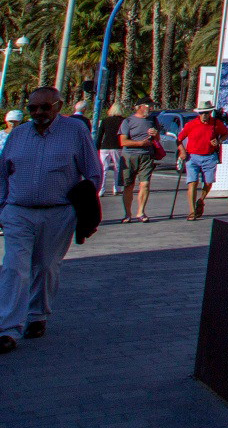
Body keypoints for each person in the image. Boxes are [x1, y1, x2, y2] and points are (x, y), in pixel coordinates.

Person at [0, 87, 102, 353]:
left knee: (45, 266)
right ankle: (8, 329)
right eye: (33, 108)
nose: (38, 113)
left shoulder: (75, 132)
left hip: (58, 212)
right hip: (18, 210)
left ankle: (36, 316)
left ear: (58, 106)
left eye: (44, 107)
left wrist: (85, 207)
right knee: (14, 267)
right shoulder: (19, 135)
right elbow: (3, 172)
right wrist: (2, 206)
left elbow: (92, 173)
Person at [176, 105, 227, 220]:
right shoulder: (191, 124)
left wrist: (219, 141)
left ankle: (201, 200)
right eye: (201, 113)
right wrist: (182, 151)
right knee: (192, 182)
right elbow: (179, 140)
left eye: (206, 113)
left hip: (209, 157)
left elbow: (226, 134)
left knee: (208, 182)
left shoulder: (216, 123)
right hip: (192, 157)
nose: (204, 115)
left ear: (210, 113)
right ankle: (192, 211)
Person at [117, 100, 162, 222]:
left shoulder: (153, 120)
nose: (151, 108)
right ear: (141, 107)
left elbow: (158, 139)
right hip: (129, 156)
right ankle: (127, 214)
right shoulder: (128, 121)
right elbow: (123, 142)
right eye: (149, 106)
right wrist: (140, 143)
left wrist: (156, 134)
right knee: (128, 185)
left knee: (145, 184)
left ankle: (141, 212)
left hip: (147, 155)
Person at [95, 103, 124, 199]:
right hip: (117, 146)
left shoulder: (105, 120)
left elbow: (100, 135)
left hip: (105, 146)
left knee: (104, 169)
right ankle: (116, 188)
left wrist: (97, 148)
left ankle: (101, 190)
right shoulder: (123, 121)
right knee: (117, 167)